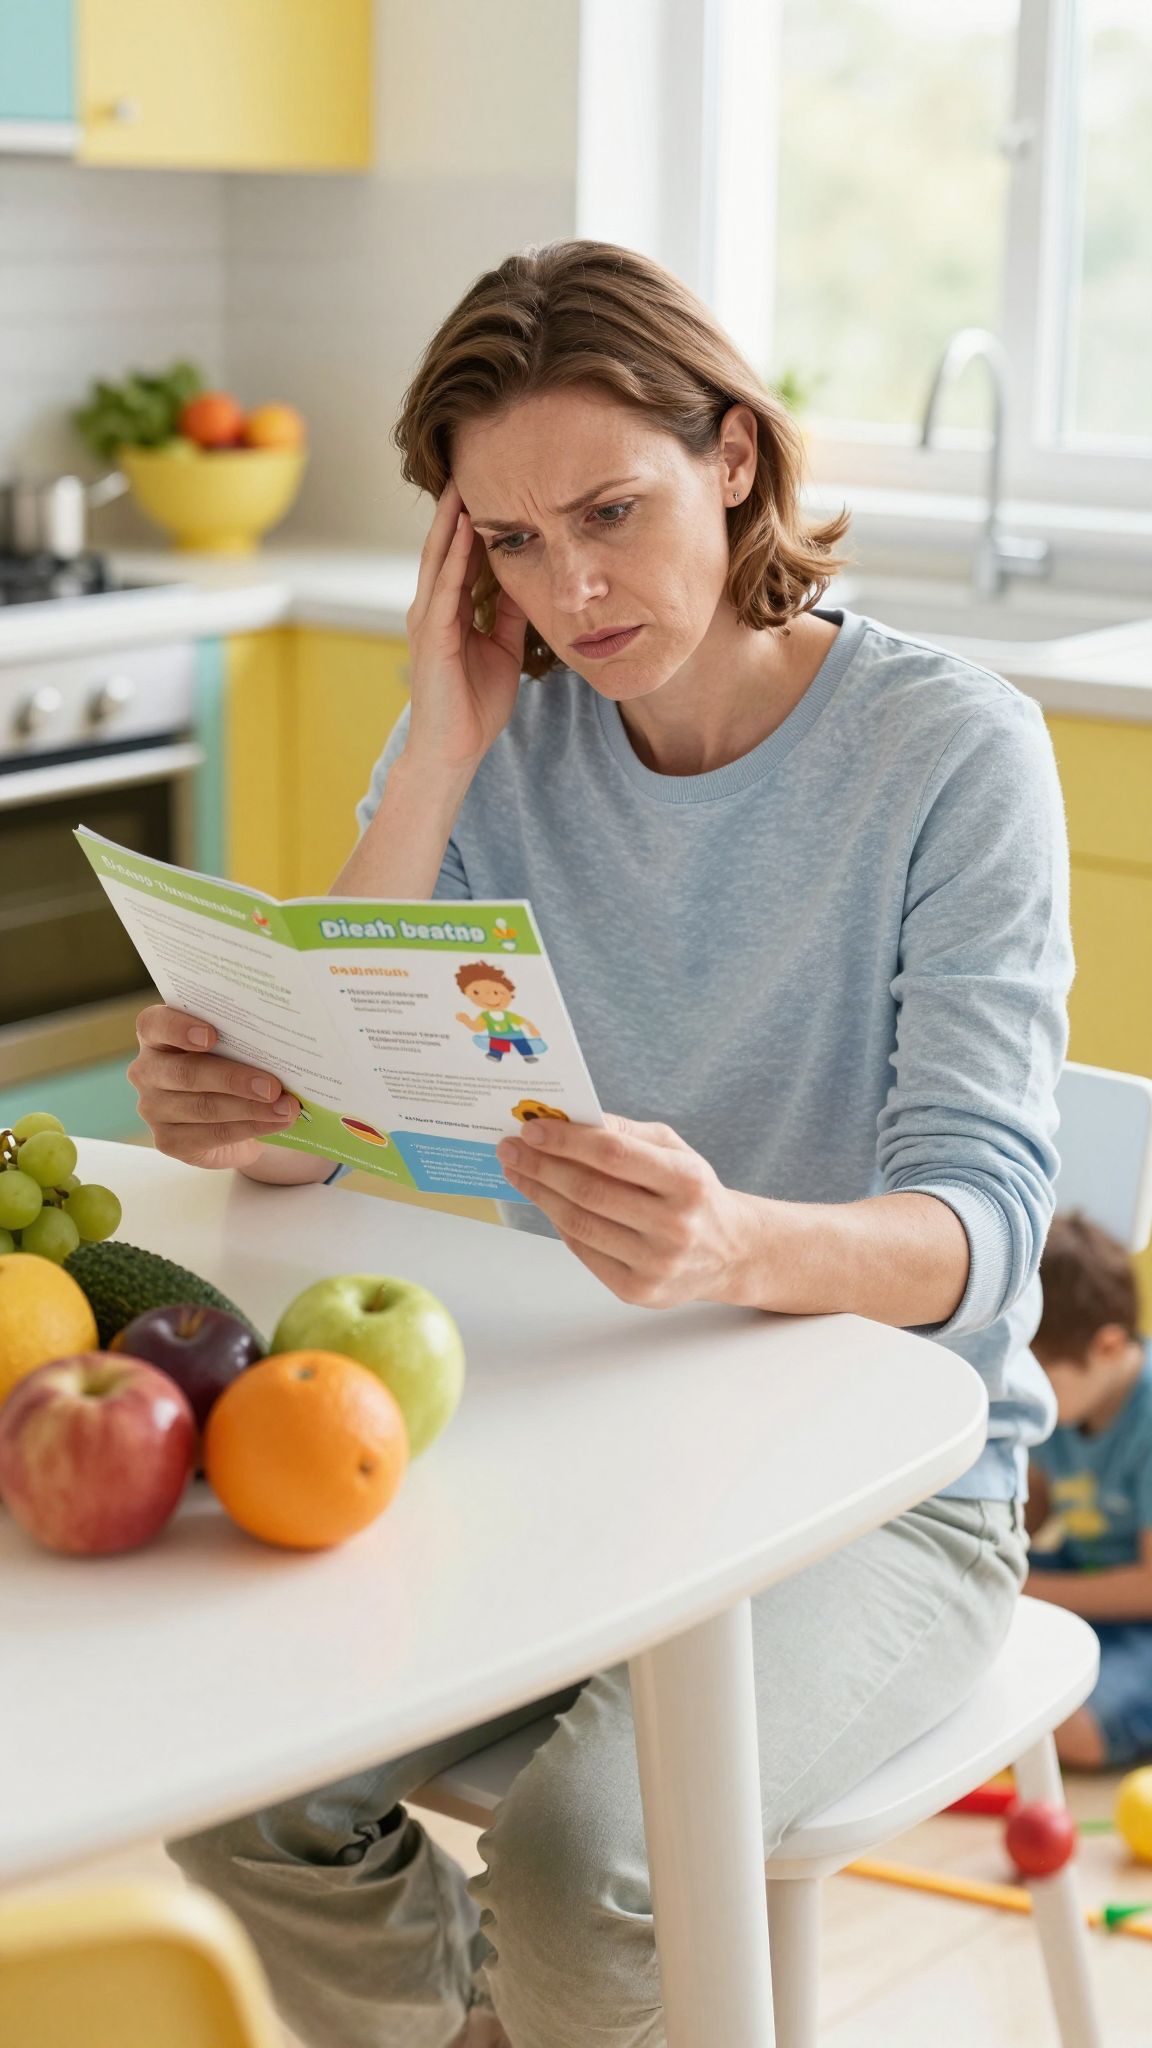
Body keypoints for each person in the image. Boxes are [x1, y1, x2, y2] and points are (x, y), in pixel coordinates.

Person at [126, 238, 1072, 2048]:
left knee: (585, 1867)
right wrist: (435, 745)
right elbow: (310, 1141)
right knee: (244, 1774)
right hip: (591, 1437)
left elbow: (981, 1235)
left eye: (611, 510)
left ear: (732, 455)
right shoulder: (509, 734)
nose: (570, 587)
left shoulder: (954, 754)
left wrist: (733, 1243)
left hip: (886, 1496)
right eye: (507, 540)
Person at [1025, 1207, 1152, 1772]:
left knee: (1075, 1730)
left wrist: (1023, 1589)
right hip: (1080, 1581)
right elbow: (1027, 1507)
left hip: (1140, 1611)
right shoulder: (1060, 1402)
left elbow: (1147, 1588)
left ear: (1106, 1347)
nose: (1026, 1394)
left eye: (1041, 1377)